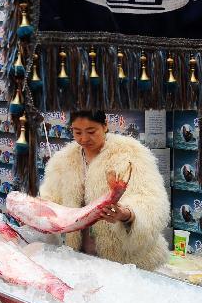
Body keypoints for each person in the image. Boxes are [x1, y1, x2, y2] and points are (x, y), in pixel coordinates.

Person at [38, 109, 170, 271]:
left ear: (105, 126)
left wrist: (127, 214)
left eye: (91, 131)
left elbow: (150, 199)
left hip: (127, 261)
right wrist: (36, 213)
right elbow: (51, 200)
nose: (84, 138)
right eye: (77, 132)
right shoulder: (63, 160)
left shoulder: (130, 154)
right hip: (82, 257)